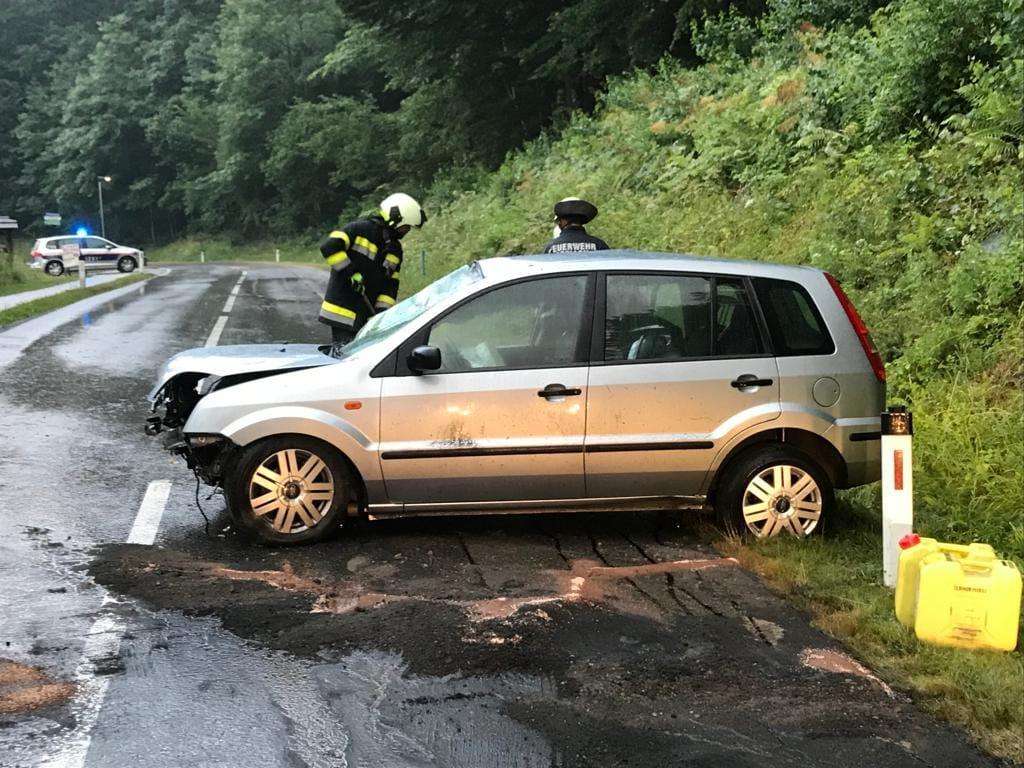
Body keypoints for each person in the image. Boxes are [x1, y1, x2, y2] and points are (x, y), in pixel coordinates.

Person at [318, 193, 427, 353]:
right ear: (395, 218)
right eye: (406, 227)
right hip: (342, 310)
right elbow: (329, 247)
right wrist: (351, 272)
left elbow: (391, 286)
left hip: (366, 318)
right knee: (346, 356)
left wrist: (381, 316)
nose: (406, 231)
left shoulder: (395, 250)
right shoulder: (359, 229)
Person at [542, 197, 609, 254]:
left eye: (559, 221)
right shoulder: (599, 245)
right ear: (583, 220)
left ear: (563, 221)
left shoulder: (551, 247)